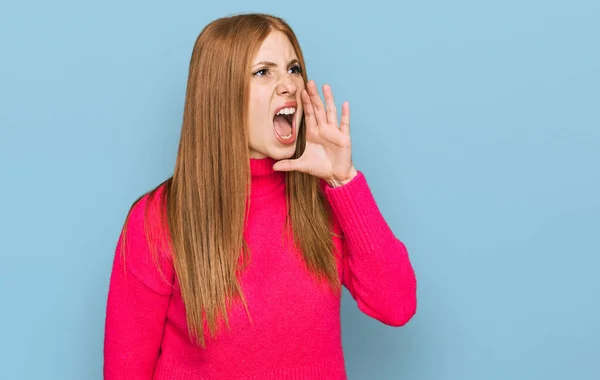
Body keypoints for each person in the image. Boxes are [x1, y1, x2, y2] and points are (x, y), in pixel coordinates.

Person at [103, 12, 417, 380]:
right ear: (221, 93)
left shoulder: (325, 201)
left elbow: (397, 306)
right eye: (264, 72)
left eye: (293, 69)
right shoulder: (158, 218)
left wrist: (344, 180)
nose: (288, 85)